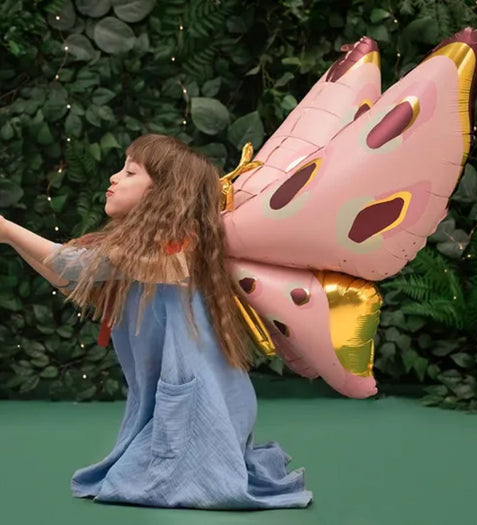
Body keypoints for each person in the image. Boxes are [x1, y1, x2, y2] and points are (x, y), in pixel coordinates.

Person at [0, 133, 312, 509]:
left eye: (130, 172)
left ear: (162, 193)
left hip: (203, 402)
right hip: (184, 395)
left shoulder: (174, 250)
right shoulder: (149, 248)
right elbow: (67, 276)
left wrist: (7, 230)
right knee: (144, 470)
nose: (114, 177)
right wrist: (9, 238)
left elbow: (72, 266)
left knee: (170, 478)